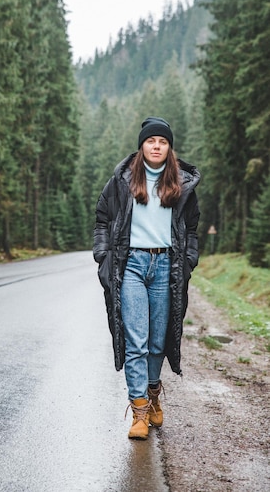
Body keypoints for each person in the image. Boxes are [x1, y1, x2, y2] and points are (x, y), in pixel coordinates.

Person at [93, 117, 200, 440]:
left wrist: (189, 259)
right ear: (142, 145)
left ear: (170, 148)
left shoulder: (181, 184)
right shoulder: (122, 180)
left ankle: (153, 393)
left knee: (157, 341)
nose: (156, 146)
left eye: (163, 142)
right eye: (151, 141)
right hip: (132, 266)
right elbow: (102, 219)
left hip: (166, 267)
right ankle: (139, 410)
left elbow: (191, 229)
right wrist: (104, 256)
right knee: (136, 341)